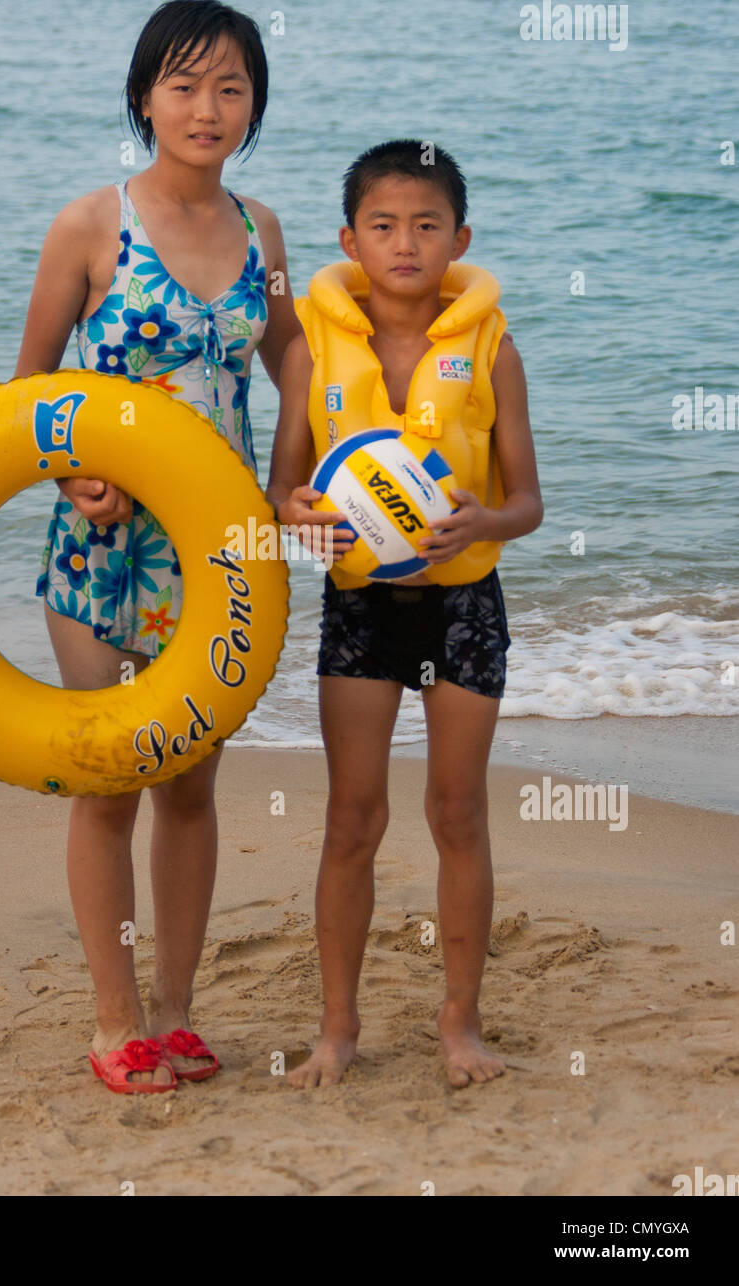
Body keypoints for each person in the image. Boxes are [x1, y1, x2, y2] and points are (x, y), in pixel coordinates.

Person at [14, 0, 300, 1092]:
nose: (207, 107)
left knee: (189, 786)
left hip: (217, 555)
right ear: (145, 96)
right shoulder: (90, 226)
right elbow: (31, 386)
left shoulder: (262, 232)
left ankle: (177, 1014)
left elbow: (293, 359)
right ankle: (111, 1019)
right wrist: (67, 468)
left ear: (253, 107)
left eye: (231, 88)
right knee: (111, 779)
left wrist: (286, 481)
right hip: (102, 550)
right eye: (184, 85)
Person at [266, 139, 543, 1089]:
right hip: (361, 611)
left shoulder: (492, 349)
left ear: (459, 238)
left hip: (465, 603)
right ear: (349, 239)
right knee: (352, 819)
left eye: (427, 225)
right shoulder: (310, 350)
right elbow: (281, 492)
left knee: (458, 813)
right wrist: (303, 521)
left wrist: (483, 516)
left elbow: (528, 505)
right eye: (382, 226)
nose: (404, 243)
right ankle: (335, 1030)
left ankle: (458, 1024)